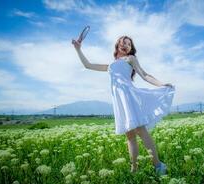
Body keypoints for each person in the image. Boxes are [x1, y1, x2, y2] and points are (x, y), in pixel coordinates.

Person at [72, 35, 175, 175]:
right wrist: (78, 49)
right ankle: (134, 169)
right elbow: (87, 65)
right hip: (120, 102)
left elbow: (145, 75)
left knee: (141, 130)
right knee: (130, 136)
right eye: (123, 42)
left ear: (131, 49)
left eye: (129, 44)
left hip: (129, 97)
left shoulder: (130, 59)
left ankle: (158, 166)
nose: (126, 45)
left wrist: (161, 84)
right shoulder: (110, 65)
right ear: (117, 45)